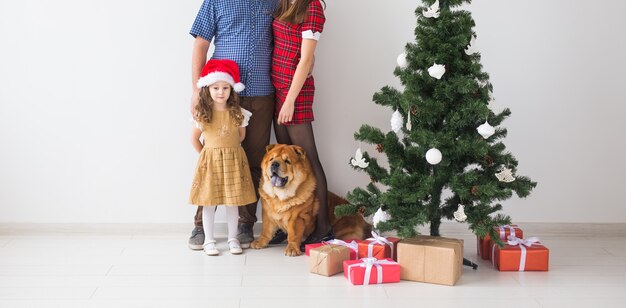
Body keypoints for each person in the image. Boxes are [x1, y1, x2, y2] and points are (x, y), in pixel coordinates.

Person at [188, 0, 278, 250]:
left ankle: (245, 223)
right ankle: (200, 226)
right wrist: (196, 90)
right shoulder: (216, 1)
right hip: (221, 93)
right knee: (214, 159)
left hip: (261, 92)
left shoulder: (276, 2)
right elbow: (201, 44)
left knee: (253, 160)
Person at [271, 0, 333, 247]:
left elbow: (306, 59)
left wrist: (290, 101)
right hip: (278, 90)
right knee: (287, 165)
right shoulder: (284, 2)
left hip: (294, 95)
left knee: (307, 160)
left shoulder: (313, 6)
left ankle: (324, 225)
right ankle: (290, 225)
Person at [189, 59, 256, 256]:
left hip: (233, 161)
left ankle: (233, 238)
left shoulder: (238, 113)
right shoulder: (202, 113)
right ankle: (209, 240)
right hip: (210, 162)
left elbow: (241, 136)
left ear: (232, 89)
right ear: (207, 89)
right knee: (209, 202)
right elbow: (194, 139)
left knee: (233, 202)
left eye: (225, 87)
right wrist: (207, 154)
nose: (221, 92)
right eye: (216, 87)